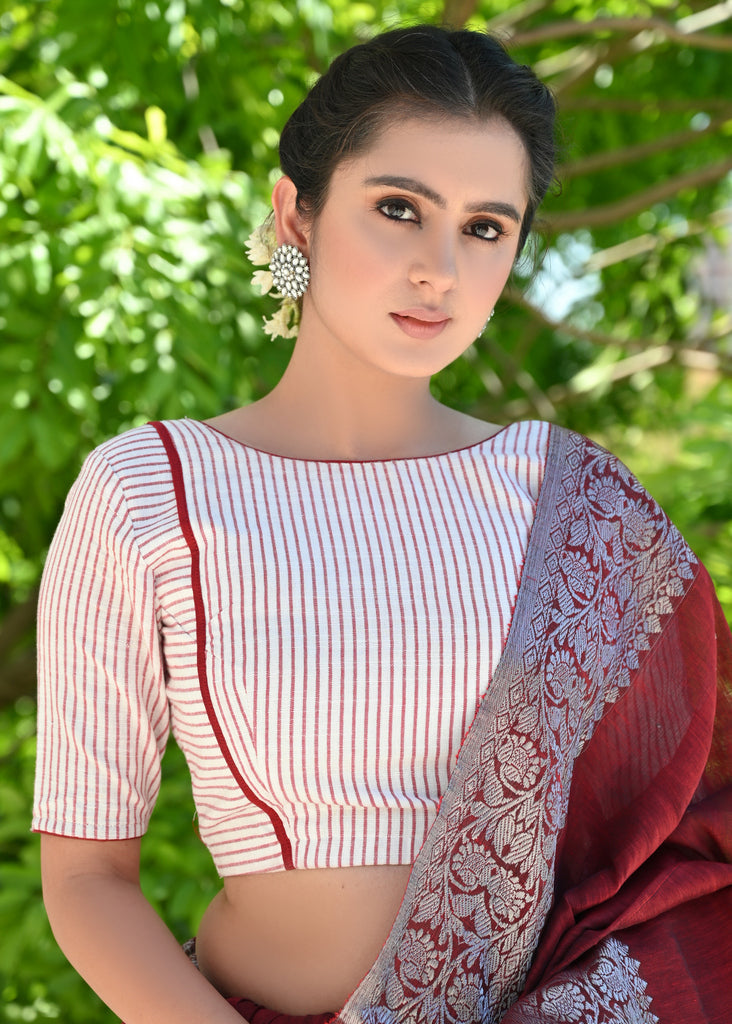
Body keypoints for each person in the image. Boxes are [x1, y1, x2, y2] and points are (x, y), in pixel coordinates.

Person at [33, 23, 731, 1024]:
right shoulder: (151, 493)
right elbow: (87, 880)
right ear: (297, 214)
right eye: (399, 209)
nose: (439, 268)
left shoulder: (570, 500)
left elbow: (691, 828)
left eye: (485, 227)